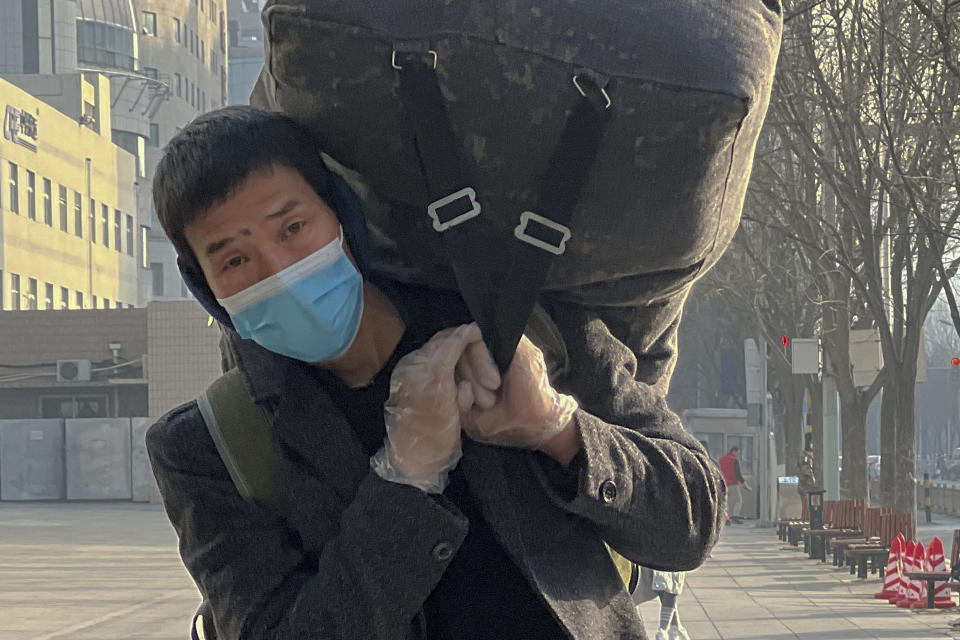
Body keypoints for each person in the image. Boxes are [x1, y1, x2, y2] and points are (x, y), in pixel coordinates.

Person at [146, 106, 724, 639]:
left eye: (293, 228)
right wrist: (403, 478)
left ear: (341, 216)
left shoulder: (521, 327)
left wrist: (557, 429)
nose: (281, 271)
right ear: (208, 290)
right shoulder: (206, 449)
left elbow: (693, 520)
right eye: (235, 261)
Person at [718, 446, 750, 523]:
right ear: (734, 451)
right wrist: (744, 484)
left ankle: (726, 519)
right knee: (738, 501)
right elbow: (737, 473)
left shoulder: (721, 460)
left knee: (726, 503)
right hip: (733, 484)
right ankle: (735, 517)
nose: (738, 455)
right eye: (738, 453)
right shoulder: (734, 460)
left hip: (723, 485)